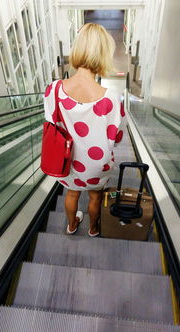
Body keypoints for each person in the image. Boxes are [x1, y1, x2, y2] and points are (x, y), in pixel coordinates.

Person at [44, 23, 125, 237]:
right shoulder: (111, 98)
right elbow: (117, 137)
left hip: (68, 161)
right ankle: (93, 228)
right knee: (95, 198)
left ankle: (71, 226)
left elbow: (51, 124)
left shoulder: (53, 90)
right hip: (97, 164)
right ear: (103, 54)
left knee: (72, 194)